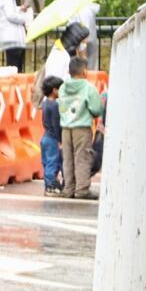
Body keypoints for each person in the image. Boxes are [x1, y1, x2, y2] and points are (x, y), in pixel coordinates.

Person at [59, 56, 104, 199]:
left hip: (66, 128)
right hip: (82, 128)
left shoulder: (62, 87)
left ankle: (68, 188)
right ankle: (82, 190)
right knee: (82, 158)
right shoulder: (89, 87)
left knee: (68, 158)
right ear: (84, 71)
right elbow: (96, 109)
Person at [41, 21, 90, 86]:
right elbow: (52, 84)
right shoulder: (58, 56)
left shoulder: (65, 55)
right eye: (82, 44)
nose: (82, 47)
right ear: (74, 42)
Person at [39, 76, 64, 196]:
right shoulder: (54, 106)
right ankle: (50, 187)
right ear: (55, 90)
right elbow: (56, 124)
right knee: (52, 162)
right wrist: (60, 139)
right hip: (52, 138)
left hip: (45, 136)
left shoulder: (44, 103)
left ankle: (51, 184)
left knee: (47, 162)